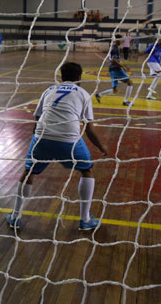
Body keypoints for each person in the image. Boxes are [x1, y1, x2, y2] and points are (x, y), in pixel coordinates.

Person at [6, 62, 108, 231]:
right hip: (69, 140)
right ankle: (85, 220)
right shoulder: (83, 94)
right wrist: (101, 147)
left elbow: (37, 119)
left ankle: (15, 217)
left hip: (42, 137)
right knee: (86, 171)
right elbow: (89, 129)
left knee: (29, 171)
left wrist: (38, 140)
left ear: (61, 77)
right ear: (79, 78)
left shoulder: (49, 90)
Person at [95, 37, 133, 106]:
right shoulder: (115, 48)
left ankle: (99, 94)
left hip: (112, 70)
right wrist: (122, 66)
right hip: (116, 69)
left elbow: (115, 60)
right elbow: (114, 60)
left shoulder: (112, 47)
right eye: (121, 39)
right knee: (130, 83)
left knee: (115, 90)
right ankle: (126, 101)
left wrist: (123, 65)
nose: (122, 41)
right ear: (117, 40)